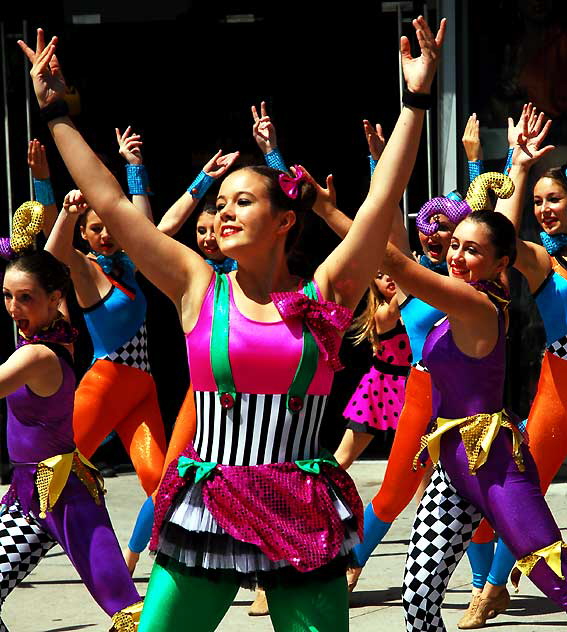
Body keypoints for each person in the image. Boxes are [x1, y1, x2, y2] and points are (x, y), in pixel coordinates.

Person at [19, 15, 446, 630]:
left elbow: (380, 205)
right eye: (220, 204)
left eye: (242, 201)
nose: (223, 213)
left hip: (300, 506)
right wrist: (56, 115)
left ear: (284, 222)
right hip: (205, 503)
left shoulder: (328, 294)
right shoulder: (196, 286)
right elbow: (111, 200)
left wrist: (417, 102)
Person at [378, 208, 567, 631]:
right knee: (417, 596)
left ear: (502, 264)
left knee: (556, 577)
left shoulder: (477, 303)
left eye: (472, 250)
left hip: (493, 464)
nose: (456, 256)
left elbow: (392, 261)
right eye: (455, 245)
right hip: (452, 466)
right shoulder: (456, 298)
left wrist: (321, 207)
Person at [0, 214, 142, 631]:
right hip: (29, 495)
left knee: (124, 607)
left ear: (51, 298)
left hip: (61, 494)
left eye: (24, 298)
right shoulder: (59, 327)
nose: (13, 308)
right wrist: (65, 213)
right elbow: (52, 264)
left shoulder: (36, 355)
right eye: (7, 296)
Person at [340, 272, 411, 444]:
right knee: (343, 458)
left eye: (390, 273)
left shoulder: (413, 313)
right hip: (379, 388)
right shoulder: (382, 313)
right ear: (374, 285)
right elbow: (396, 306)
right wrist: (408, 272)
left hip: (409, 386)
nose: (388, 277)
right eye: (380, 276)